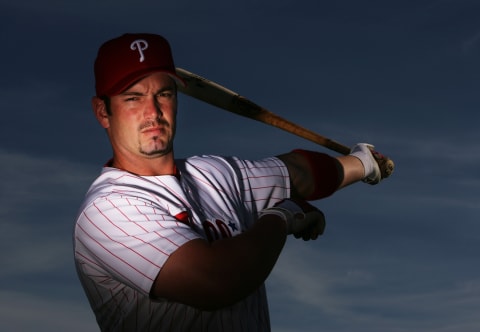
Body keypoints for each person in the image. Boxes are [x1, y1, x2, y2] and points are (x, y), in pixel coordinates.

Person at [73, 33, 393, 332]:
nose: (153, 112)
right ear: (103, 112)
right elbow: (215, 282)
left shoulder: (213, 173)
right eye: (133, 98)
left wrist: (363, 163)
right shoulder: (107, 210)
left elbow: (297, 172)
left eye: (164, 94)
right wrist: (282, 217)